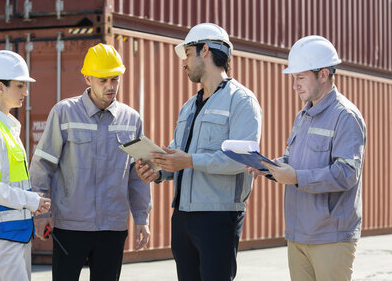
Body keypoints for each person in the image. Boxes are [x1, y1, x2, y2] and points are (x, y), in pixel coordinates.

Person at [136, 23, 263, 281]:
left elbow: (242, 159)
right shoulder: (189, 106)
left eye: (188, 54)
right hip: (183, 217)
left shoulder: (242, 101)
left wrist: (189, 161)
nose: (184, 62)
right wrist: (158, 169)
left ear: (205, 50)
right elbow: (179, 156)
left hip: (218, 217)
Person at [30, 43, 152, 281]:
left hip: (113, 227)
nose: (110, 86)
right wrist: (41, 212)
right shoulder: (64, 113)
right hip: (70, 225)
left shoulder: (132, 119)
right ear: (87, 78)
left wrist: (141, 217)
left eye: (114, 79)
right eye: (102, 80)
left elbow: (138, 175)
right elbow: (43, 165)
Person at [250, 35, 367, 281]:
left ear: (323, 75)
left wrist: (296, 177)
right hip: (298, 233)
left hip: (330, 237)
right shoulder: (303, 115)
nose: (295, 85)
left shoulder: (345, 116)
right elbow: (296, 163)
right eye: (294, 78)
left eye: (300, 77)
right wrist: (271, 167)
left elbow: (347, 174)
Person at [0, 50, 51, 281]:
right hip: (1, 237)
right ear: (0, 87)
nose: (26, 91)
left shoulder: (7, 128)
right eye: (20, 85)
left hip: (15, 234)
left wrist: (34, 204)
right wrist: (31, 201)